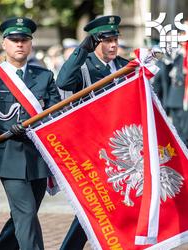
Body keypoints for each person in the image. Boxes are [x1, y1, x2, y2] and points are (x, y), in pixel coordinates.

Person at [0, 17, 61, 250]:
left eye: (24, 40)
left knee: (23, 216)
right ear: (4, 44)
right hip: (8, 156)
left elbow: (56, 115)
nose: (19, 44)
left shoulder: (44, 76)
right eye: (14, 40)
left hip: (39, 156)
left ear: (31, 44)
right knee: (26, 212)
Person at [56, 15, 129, 250]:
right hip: (94, 147)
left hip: (123, 146)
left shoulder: (126, 66)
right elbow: (64, 81)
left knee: (118, 202)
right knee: (95, 203)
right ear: (95, 42)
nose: (113, 45)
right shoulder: (85, 66)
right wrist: (81, 50)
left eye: (115, 39)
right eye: (107, 41)